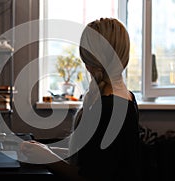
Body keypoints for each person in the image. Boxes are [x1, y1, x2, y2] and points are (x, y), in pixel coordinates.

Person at [20, 18, 141, 181]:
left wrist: (45, 157)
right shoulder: (126, 97)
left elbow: (87, 176)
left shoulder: (108, 108)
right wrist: (46, 150)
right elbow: (91, 157)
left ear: (88, 61)